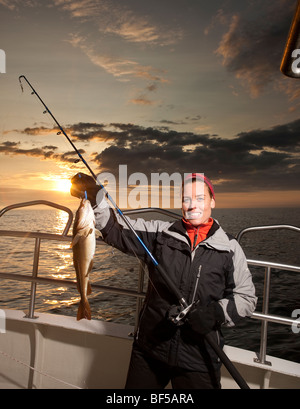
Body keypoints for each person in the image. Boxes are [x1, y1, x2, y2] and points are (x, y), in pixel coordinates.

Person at [70, 172, 257, 389]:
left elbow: (246, 298)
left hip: (199, 356)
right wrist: (95, 197)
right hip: (150, 348)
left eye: (199, 198)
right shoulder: (160, 233)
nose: (192, 205)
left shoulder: (230, 248)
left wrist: (215, 313)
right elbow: (115, 228)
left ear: (212, 201)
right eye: (186, 199)